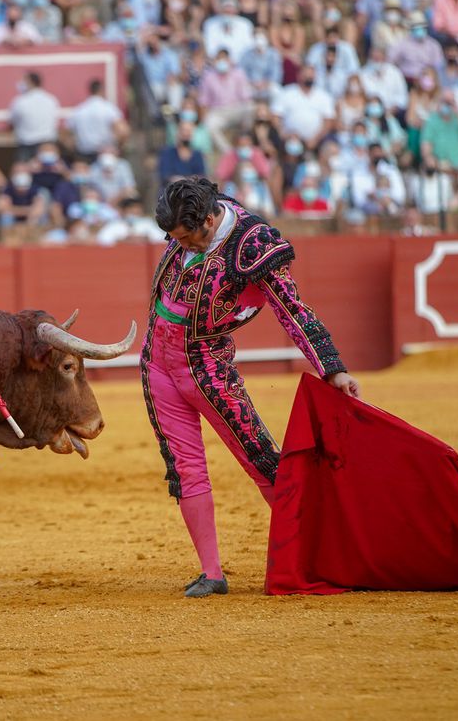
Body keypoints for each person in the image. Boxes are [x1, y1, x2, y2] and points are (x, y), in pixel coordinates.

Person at [141, 176, 360, 598]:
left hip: (206, 366)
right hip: (157, 362)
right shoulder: (188, 220)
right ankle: (212, 573)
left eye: (187, 239)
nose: (181, 246)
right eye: (175, 239)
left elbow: (291, 308)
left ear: (208, 219)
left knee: (260, 457)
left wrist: (331, 368)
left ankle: (326, 556)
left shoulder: (254, 243)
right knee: (184, 466)